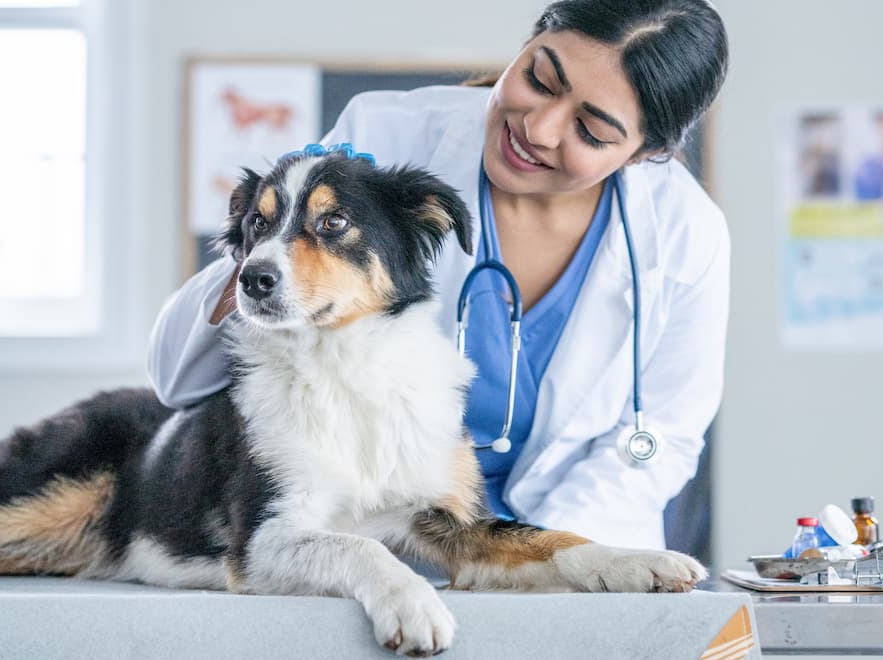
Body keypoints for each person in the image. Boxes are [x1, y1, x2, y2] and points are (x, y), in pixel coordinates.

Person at [147, 0, 730, 551]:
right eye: (541, 78)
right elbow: (180, 379)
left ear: (639, 154)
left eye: (592, 131)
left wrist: (536, 558)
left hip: (573, 553)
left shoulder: (684, 235)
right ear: (526, 44)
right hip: (381, 549)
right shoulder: (388, 139)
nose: (540, 127)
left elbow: (664, 439)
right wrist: (283, 241)